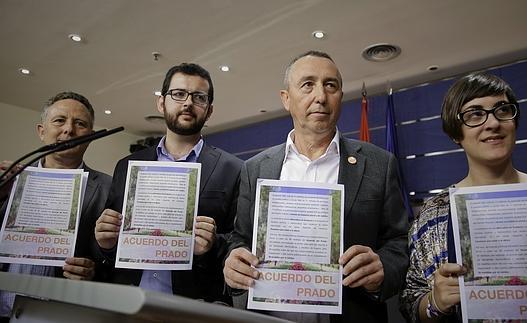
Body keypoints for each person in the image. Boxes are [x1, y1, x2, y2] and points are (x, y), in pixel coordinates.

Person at [223, 50, 409, 322]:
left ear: (341, 97)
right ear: (286, 99)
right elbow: (240, 237)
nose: (320, 96)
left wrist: (383, 268)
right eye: (308, 84)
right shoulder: (256, 168)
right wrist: (232, 262)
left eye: (330, 85)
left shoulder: (380, 165)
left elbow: (400, 242)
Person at [399, 73, 527, 322]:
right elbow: (410, 304)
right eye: (475, 114)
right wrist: (435, 302)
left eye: (502, 110)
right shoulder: (433, 215)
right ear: (455, 133)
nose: (492, 123)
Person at [94, 63, 242, 304]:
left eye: (199, 97)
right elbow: (111, 245)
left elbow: (238, 241)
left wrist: (212, 244)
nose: (188, 103)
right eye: (179, 94)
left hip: (193, 305)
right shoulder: (127, 166)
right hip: (127, 301)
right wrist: (106, 243)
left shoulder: (233, 169)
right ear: (161, 103)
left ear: (209, 110)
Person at [0, 91, 112, 318]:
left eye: (80, 123)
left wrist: (93, 271)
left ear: (90, 136)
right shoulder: (10, 180)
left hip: (60, 315)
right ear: (42, 131)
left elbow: (114, 261)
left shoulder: (108, 188)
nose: (69, 130)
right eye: (59, 120)